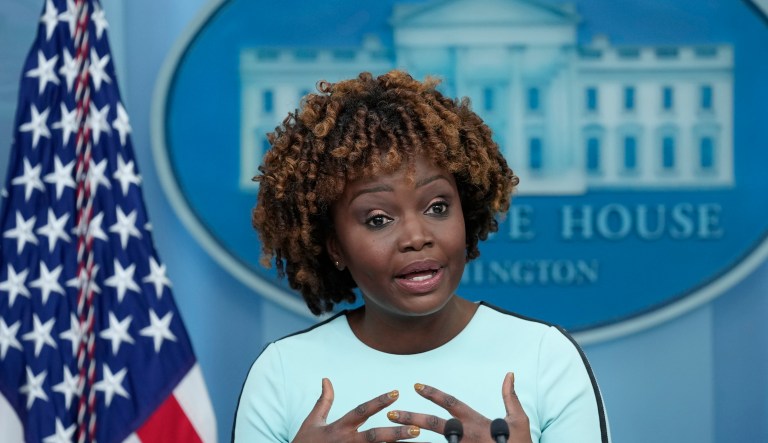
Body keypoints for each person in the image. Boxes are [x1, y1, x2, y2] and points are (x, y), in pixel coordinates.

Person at [233, 70, 610, 443]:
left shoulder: (545, 358)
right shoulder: (281, 373)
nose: (417, 237)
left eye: (437, 207)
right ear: (335, 246)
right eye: (378, 219)